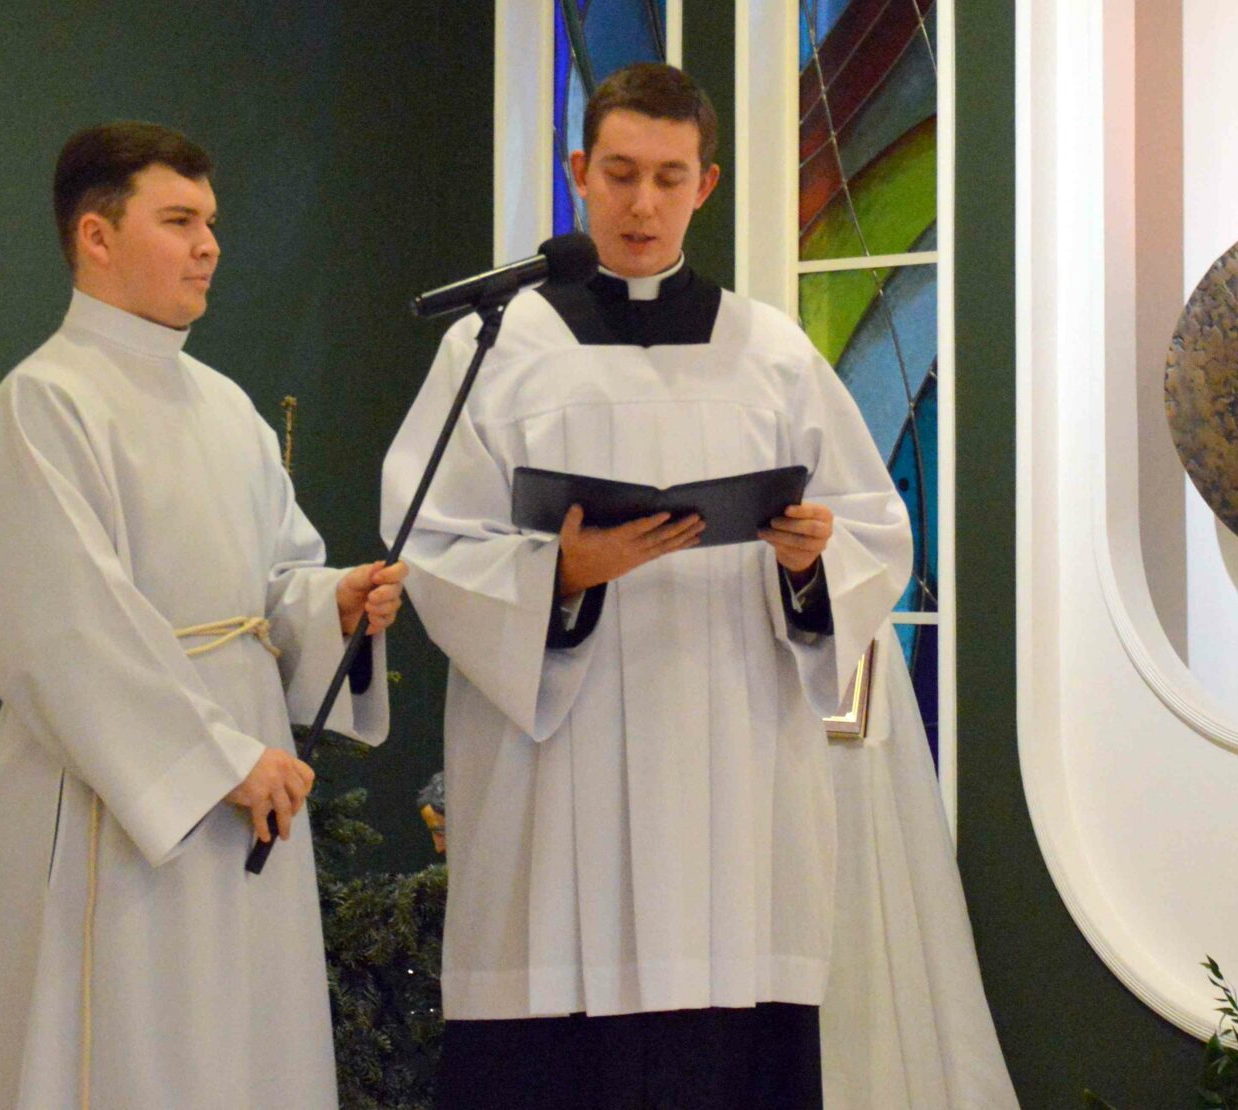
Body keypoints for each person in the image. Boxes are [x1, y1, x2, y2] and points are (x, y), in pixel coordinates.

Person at [389, 61, 911, 1110]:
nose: (641, 204)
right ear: (577, 171)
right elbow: (430, 542)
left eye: (669, 178)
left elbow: (871, 531)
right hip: (557, 780)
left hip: (733, 771)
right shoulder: (494, 348)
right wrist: (560, 576)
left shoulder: (769, 353)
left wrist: (809, 563)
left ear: (704, 186)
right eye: (620, 173)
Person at [0, 122, 403, 1110]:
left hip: (248, 781)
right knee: (132, 1054)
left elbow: (271, 585)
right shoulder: (42, 405)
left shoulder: (225, 406)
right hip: (123, 805)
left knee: (244, 1055)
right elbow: (65, 632)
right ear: (96, 236)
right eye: (179, 221)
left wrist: (329, 605)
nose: (209, 246)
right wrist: (217, 761)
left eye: (211, 223)